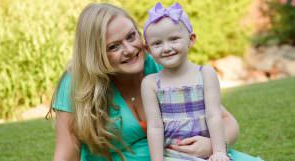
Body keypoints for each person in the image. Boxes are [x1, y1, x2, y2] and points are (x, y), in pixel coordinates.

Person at [48, 2, 263, 161]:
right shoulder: (77, 83)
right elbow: (66, 155)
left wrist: (213, 146)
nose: (130, 50)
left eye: (131, 36)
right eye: (114, 46)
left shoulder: (160, 66)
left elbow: (226, 121)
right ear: (95, 54)